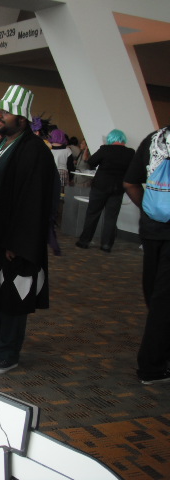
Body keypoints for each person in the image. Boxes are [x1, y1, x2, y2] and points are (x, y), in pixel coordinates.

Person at [0, 85, 56, 374]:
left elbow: (33, 199)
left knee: (13, 292)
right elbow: (6, 181)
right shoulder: (5, 143)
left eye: (6, 112)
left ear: (23, 118)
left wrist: (18, 241)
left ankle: (8, 351)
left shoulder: (34, 150)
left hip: (13, 236)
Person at [123, 125, 170, 385]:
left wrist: (151, 209)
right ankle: (152, 366)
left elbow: (130, 182)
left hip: (152, 230)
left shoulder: (155, 139)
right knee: (164, 302)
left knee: (154, 294)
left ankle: (158, 356)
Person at [75, 129, 134, 253]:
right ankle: (107, 245)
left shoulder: (105, 149)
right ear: (123, 139)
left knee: (92, 214)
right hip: (118, 188)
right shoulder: (130, 152)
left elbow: (91, 163)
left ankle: (84, 241)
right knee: (111, 217)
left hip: (100, 186)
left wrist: (87, 154)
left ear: (111, 138)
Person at [49, 128, 72, 193]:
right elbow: (70, 166)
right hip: (63, 173)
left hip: (50, 172)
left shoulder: (48, 149)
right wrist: (70, 178)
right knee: (61, 194)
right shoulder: (67, 150)